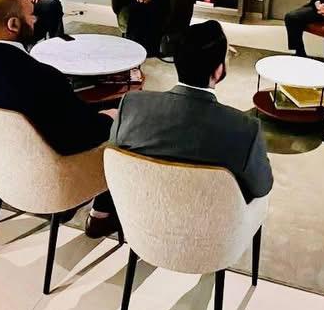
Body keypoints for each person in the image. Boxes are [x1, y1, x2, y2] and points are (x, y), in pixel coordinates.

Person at [0, 0, 117, 237]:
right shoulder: (42, 78)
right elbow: (79, 137)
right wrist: (110, 118)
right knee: (123, 125)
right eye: (31, 14)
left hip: (3, 171)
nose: (36, 19)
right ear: (13, 24)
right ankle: (101, 217)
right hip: (55, 179)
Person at [109, 20, 273, 202]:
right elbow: (262, 186)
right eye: (227, 55)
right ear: (218, 71)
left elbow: (115, 161)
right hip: (212, 216)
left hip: (142, 210)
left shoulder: (132, 104)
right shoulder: (246, 129)